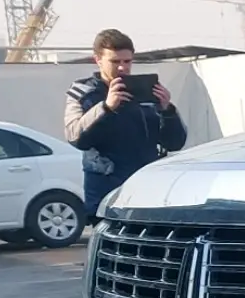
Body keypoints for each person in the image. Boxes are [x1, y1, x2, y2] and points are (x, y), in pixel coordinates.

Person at [62, 29, 186, 220]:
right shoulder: (84, 92)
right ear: (98, 60)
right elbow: (76, 137)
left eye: (127, 61)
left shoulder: (144, 90)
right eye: (115, 61)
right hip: (107, 190)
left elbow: (175, 143)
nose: (122, 68)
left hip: (146, 187)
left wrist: (167, 110)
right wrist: (106, 107)